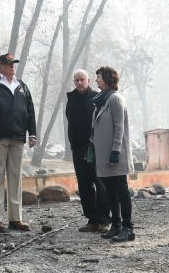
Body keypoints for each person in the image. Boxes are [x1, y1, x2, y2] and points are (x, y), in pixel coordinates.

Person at [0, 53, 37, 232]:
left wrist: (32, 134)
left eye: (13, 64)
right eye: (8, 64)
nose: (12, 67)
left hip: (18, 138)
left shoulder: (22, 86)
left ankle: (16, 218)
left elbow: (30, 111)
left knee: (16, 177)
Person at [91, 65, 135, 242]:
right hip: (104, 156)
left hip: (116, 155)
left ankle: (128, 228)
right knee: (110, 192)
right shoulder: (101, 100)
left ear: (108, 79)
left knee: (121, 191)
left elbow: (119, 127)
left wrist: (116, 150)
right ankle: (116, 225)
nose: (97, 80)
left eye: (99, 77)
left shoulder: (115, 99)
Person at [65, 69, 110, 232]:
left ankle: (104, 219)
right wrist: (73, 144)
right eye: (76, 80)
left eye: (82, 80)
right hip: (78, 147)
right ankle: (92, 219)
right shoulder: (71, 99)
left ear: (89, 81)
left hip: (95, 146)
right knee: (84, 184)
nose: (79, 83)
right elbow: (69, 121)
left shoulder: (98, 98)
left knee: (100, 183)